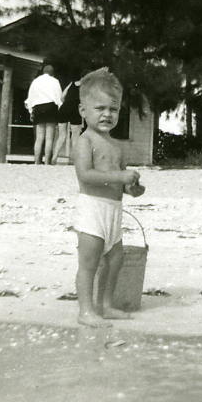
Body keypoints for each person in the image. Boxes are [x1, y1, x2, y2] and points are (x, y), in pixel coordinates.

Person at [72, 67, 145, 328]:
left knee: (116, 259)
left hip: (113, 209)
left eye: (113, 109)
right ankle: (85, 310)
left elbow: (122, 183)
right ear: (83, 111)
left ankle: (106, 304)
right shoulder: (85, 140)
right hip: (92, 208)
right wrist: (120, 177)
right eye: (99, 108)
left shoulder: (117, 146)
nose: (107, 114)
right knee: (89, 261)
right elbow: (85, 175)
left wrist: (133, 188)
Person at [25, 64, 63, 164]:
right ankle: (46, 162)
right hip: (51, 107)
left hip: (38, 107)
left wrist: (30, 111)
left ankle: (36, 162)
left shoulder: (36, 81)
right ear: (52, 73)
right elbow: (59, 98)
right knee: (49, 138)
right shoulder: (55, 81)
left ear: (43, 72)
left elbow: (30, 97)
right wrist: (60, 109)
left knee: (39, 137)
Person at [53, 78, 83, 163]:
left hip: (64, 108)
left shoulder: (71, 83)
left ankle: (55, 156)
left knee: (62, 135)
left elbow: (62, 97)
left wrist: (67, 103)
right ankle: (74, 159)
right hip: (76, 110)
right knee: (75, 136)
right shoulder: (86, 87)